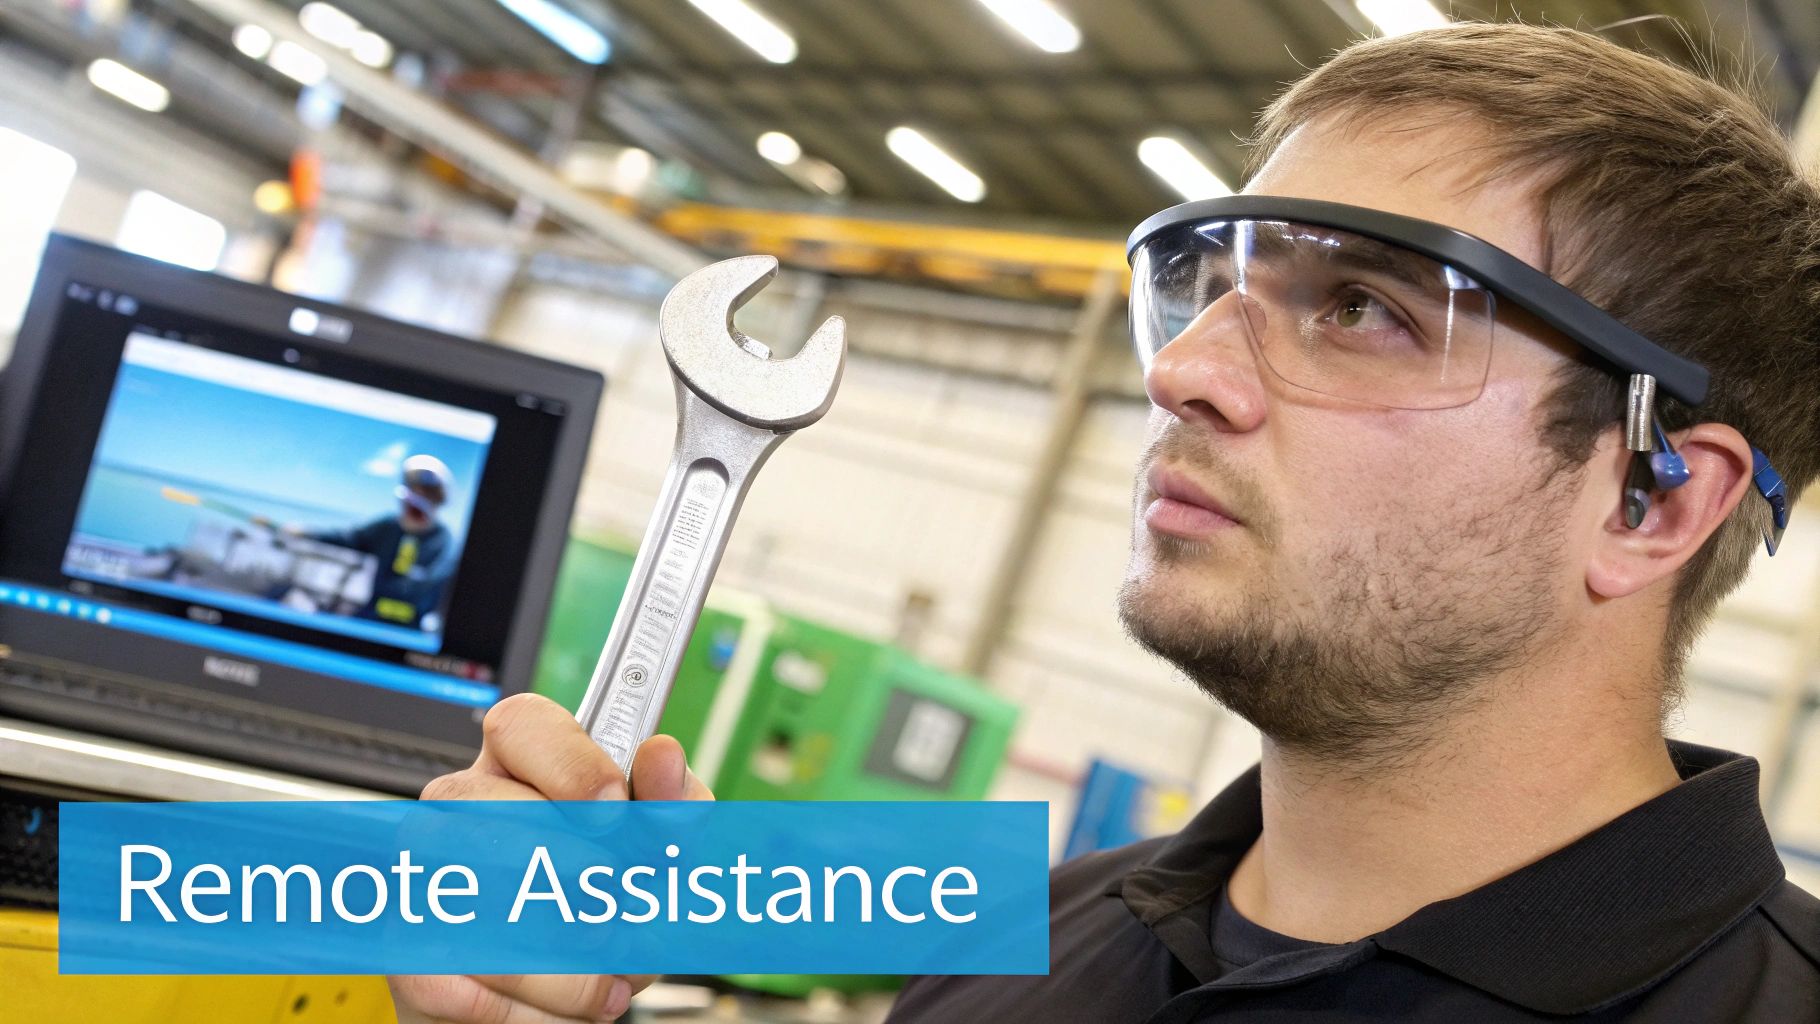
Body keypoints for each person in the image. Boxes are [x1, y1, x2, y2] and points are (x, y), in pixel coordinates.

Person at [388, 23, 1820, 1023]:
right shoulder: (1023, 947)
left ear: (1654, 498)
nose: (1184, 370)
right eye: (1214, 287)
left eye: (1367, 311)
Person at [311, 454, 461, 630]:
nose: (414, 506)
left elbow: (421, 588)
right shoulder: (388, 527)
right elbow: (351, 538)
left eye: (426, 495)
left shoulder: (444, 542)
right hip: (369, 616)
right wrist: (307, 533)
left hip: (410, 627)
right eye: (413, 491)